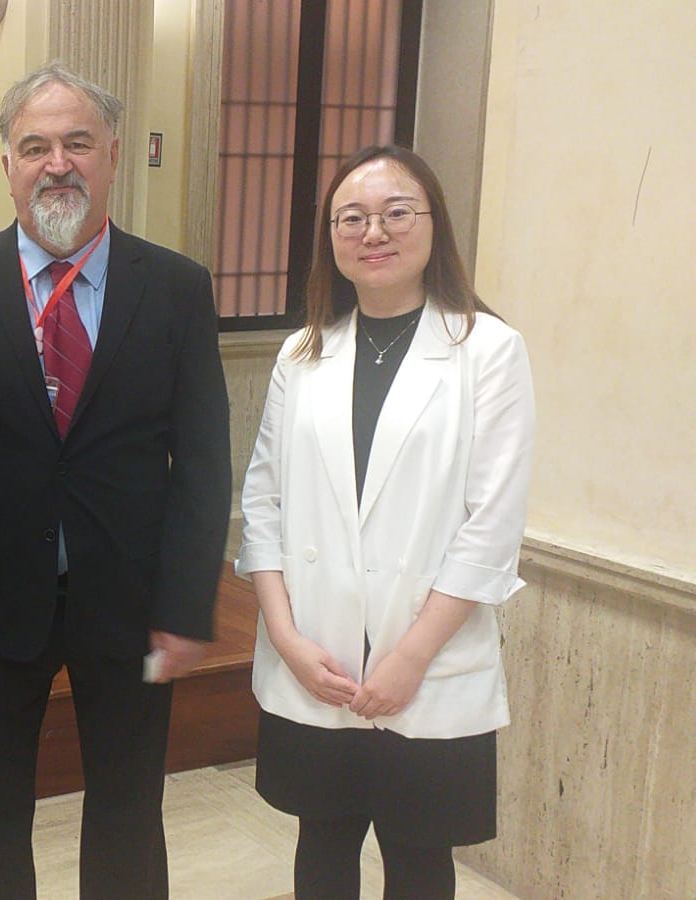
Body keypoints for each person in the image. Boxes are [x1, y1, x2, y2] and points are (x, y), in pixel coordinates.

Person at [0, 62, 232, 898]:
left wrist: (187, 606)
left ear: (112, 155)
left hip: (130, 598)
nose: (57, 162)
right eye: (34, 145)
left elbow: (206, 460)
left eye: (77, 142)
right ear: (6, 164)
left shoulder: (178, 288)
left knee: (127, 802)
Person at [235, 145, 535, 899]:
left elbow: (490, 526)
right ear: (332, 239)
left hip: (427, 663)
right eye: (353, 218)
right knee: (322, 847)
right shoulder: (304, 353)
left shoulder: (487, 351)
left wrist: (409, 658)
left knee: (419, 859)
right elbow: (262, 503)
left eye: (397, 212)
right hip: (318, 659)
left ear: (433, 224)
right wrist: (287, 638)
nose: (375, 231)